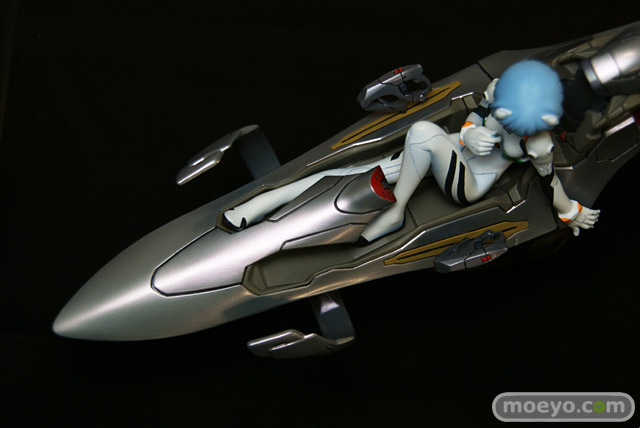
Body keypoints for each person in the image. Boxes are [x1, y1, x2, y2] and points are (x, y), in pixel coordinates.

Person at [224, 60, 599, 241]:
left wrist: (571, 212)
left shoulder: (538, 143)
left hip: (467, 183)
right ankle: (257, 206)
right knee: (336, 175)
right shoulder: (500, 90)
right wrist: (470, 133)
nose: (501, 118)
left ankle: (396, 210)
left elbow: (551, 184)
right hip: (448, 149)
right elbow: (479, 115)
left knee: (423, 132)